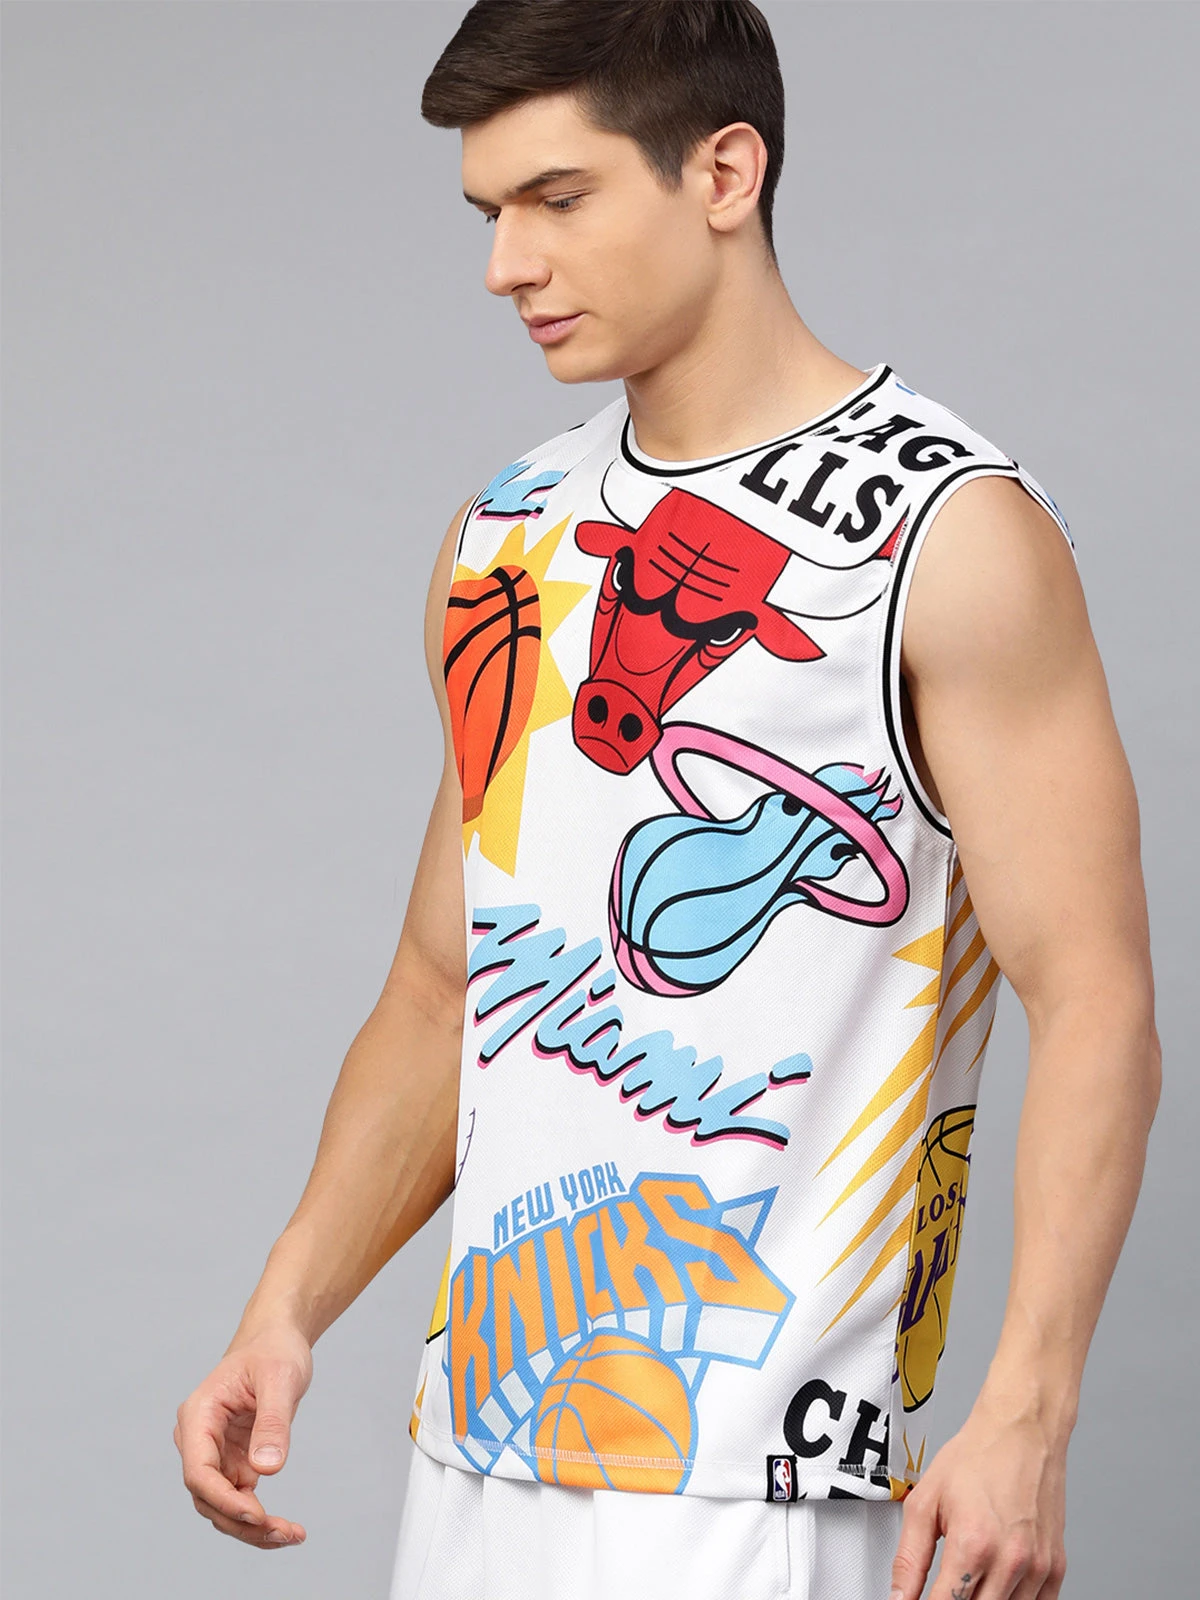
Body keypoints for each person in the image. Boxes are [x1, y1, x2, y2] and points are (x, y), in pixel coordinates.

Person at [173, 4, 1162, 1598]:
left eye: (557, 199)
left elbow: (1096, 994)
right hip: (480, 1445)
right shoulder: (507, 535)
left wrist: (1029, 1411)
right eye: (490, 213)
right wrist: (286, 1305)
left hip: (769, 1475)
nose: (507, 265)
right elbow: (444, 987)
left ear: (723, 172)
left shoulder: (948, 536)